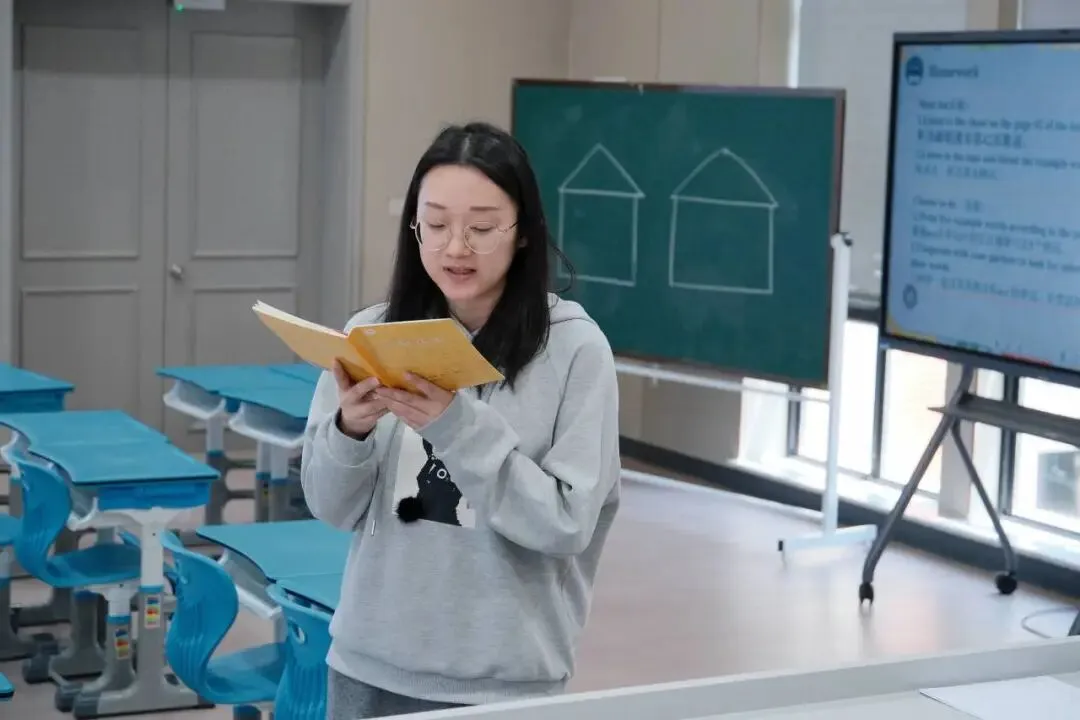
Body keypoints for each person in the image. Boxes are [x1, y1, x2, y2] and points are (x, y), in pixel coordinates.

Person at [300, 121, 622, 719]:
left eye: (481, 227)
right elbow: (329, 507)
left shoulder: (575, 350)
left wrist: (455, 426)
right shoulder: (371, 334)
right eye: (437, 224)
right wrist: (350, 432)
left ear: (523, 233)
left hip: (502, 684)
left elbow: (567, 524)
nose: (455, 248)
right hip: (367, 664)